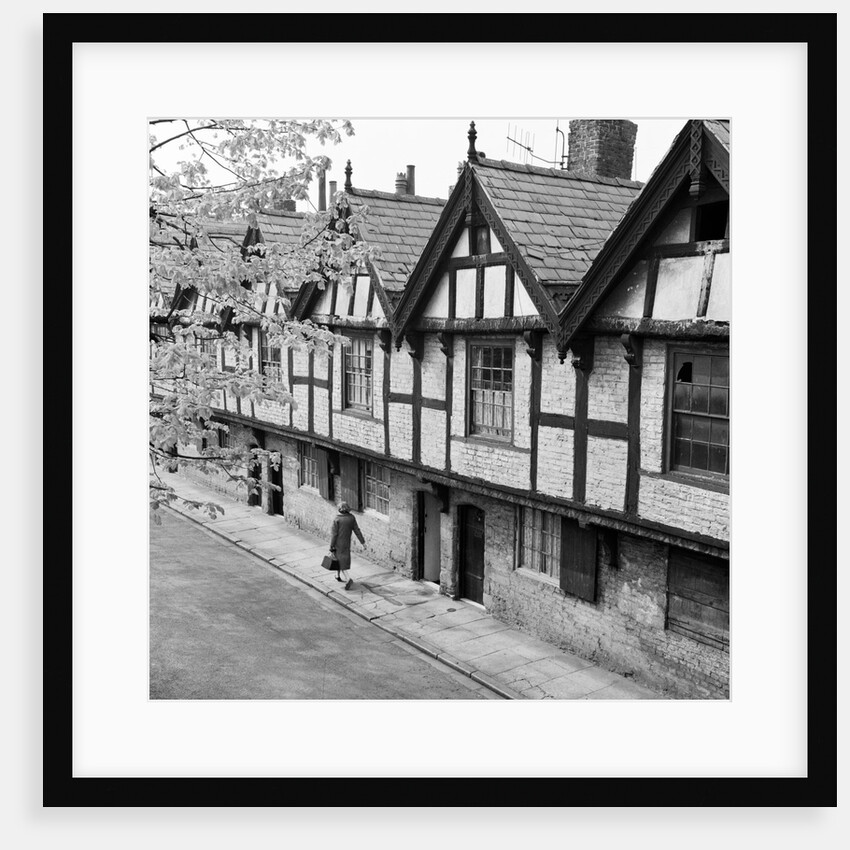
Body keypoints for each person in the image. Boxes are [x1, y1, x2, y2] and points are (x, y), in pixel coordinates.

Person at [329, 501, 365, 590]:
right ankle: (337, 575)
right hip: (346, 542)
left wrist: (331, 546)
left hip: (338, 543)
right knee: (340, 559)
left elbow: (334, 535)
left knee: (340, 561)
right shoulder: (351, 518)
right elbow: (357, 530)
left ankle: (348, 579)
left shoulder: (336, 519)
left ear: (339, 509)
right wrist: (363, 542)